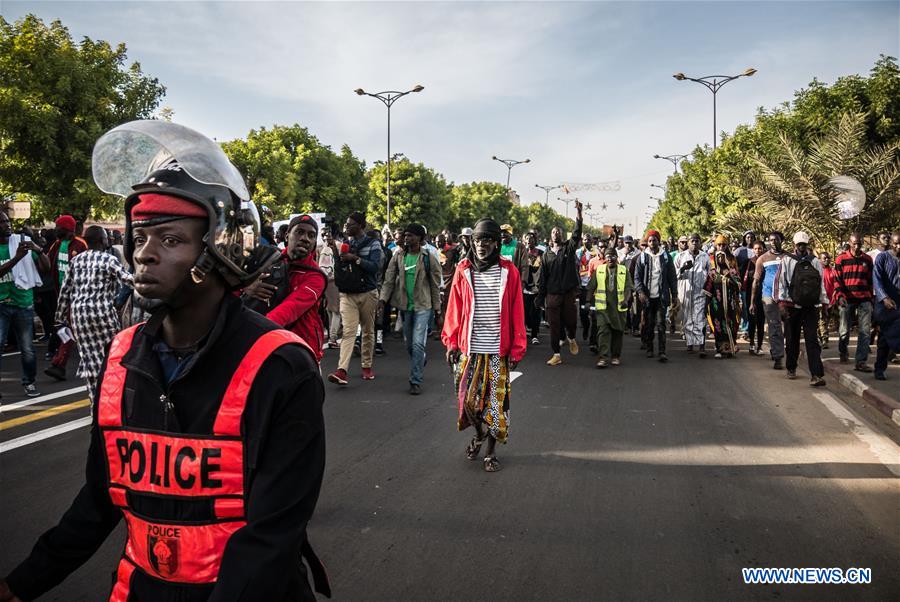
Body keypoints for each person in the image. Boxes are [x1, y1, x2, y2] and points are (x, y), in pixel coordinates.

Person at [1, 120, 329, 602]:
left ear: (220, 250)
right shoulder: (122, 356)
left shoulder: (282, 367)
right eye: (140, 239)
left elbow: (271, 540)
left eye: (170, 240)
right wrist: (21, 583)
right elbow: (98, 500)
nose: (144, 256)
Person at [442, 218, 526, 473]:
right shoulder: (463, 269)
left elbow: (517, 312)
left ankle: (490, 452)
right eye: (477, 240)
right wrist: (451, 341)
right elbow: (454, 309)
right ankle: (478, 434)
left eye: (487, 240)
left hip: (498, 351)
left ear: (496, 244)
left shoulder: (509, 272)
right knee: (468, 403)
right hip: (469, 349)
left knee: (495, 405)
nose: (481, 245)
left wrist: (517, 348)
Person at [52, 225, 133, 397]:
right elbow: (128, 280)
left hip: (79, 317)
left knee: (90, 362)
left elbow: (64, 293)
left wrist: (59, 319)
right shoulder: (108, 259)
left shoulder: (75, 261)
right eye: (106, 237)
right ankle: (111, 401)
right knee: (111, 358)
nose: (108, 240)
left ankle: (94, 407)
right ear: (100, 240)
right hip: (102, 315)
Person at [244, 214, 328, 362]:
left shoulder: (316, 277)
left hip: (300, 351)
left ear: (315, 242)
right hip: (264, 346)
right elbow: (231, 288)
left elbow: (289, 309)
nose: (305, 238)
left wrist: (252, 334)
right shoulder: (268, 260)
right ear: (287, 235)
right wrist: (247, 287)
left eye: (311, 235)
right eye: (299, 232)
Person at [379, 223, 442, 395]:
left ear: (420, 238)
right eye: (405, 235)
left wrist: (438, 311)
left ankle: (415, 380)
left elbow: (435, 286)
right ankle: (420, 360)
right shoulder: (398, 255)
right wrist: (382, 300)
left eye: (411, 235)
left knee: (417, 343)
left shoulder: (428, 256)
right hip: (405, 306)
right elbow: (389, 280)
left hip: (423, 306)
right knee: (409, 345)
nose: (407, 238)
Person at [327, 211, 383, 385]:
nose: (346, 227)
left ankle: (367, 365)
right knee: (349, 331)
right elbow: (342, 267)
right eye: (346, 224)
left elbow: (376, 267)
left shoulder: (373, 244)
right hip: (348, 294)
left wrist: (356, 259)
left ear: (360, 226)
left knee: (367, 331)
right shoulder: (345, 243)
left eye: (350, 224)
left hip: (368, 293)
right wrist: (336, 253)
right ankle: (342, 370)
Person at [0, 211, 49, 398]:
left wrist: (38, 250)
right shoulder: (17, 251)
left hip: (23, 303)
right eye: (2, 222)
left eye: (7, 221)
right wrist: (17, 258)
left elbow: (45, 269)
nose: (8, 225)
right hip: (1, 304)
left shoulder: (21, 242)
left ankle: (29, 383)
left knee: (28, 349)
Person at [774, 231, 827, 386]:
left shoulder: (815, 261)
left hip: (810, 305)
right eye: (799, 245)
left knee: (812, 340)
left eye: (804, 244)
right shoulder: (787, 260)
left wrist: (824, 303)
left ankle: (816, 374)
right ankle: (791, 367)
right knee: (792, 339)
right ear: (794, 245)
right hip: (791, 305)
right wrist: (781, 303)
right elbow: (780, 282)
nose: (802, 247)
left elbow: (821, 283)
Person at [537, 200, 583, 366]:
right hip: (552, 295)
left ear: (562, 235)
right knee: (554, 325)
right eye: (553, 231)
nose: (556, 233)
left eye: (558, 231)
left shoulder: (568, 249)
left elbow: (577, 234)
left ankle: (571, 337)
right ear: (550, 236)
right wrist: (540, 297)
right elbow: (543, 277)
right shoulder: (546, 255)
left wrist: (579, 214)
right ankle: (556, 354)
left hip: (568, 293)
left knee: (571, 321)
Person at [44, 214, 88, 379]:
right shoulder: (57, 244)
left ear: (67, 229)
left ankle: (59, 364)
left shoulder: (80, 245)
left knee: (69, 329)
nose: (55, 229)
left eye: (58, 227)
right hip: (62, 296)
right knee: (69, 329)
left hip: (77, 296)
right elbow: (48, 263)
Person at [633, 229, 678, 362]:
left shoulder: (666, 257)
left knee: (661, 324)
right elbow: (637, 277)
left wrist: (674, 294)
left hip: (661, 297)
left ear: (659, 241)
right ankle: (649, 349)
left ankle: (662, 351)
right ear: (647, 242)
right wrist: (640, 291)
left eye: (655, 240)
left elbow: (672, 277)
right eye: (650, 240)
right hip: (647, 297)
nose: (652, 243)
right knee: (649, 323)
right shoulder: (642, 257)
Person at [833, 232, 875, 372]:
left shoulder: (867, 259)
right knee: (844, 329)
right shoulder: (841, 259)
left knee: (865, 330)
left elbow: (870, 281)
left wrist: (871, 298)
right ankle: (843, 351)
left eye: (859, 243)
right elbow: (837, 280)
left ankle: (861, 361)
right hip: (847, 298)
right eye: (854, 243)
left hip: (864, 298)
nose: (857, 246)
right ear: (849, 243)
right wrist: (840, 296)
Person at [588, 247, 632, 368]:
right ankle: (603, 358)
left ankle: (615, 356)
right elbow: (591, 286)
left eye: (612, 256)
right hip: (603, 308)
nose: (610, 258)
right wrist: (587, 301)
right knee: (603, 332)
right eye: (608, 256)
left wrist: (625, 300)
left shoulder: (624, 270)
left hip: (618, 308)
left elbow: (628, 287)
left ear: (616, 258)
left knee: (617, 332)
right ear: (605, 258)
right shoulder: (599, 270)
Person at [751, 231, 787, 370]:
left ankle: (780, 349)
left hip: (786, 297)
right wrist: (752, 301)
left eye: (776, 239)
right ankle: (778, 357)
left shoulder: (788, 257)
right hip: (768, 296)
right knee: (774, 325)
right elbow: (756, 281)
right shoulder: (763, 259)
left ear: (781, 240)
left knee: (788, 326)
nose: (773, 242)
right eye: (771, 240)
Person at [704, 237, 742, 358]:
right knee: (717, 323)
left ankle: (731, 347)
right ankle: (720, 349)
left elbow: (738, 282)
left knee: (731, 323)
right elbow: (708, 282)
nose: (721, 247)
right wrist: (707, 301)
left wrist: (729, 275)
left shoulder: (732, 260)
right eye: (719, 245)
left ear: (727, 246)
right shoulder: (710, 260)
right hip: (716, 299)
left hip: (730, 300)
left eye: (723, 245)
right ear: (715, 246)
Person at [675, 234, 711, 357]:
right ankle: (690, 344)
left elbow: (710, 274)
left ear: (700, 243)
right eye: (692, 241)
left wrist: (708, 292)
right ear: (688, 243)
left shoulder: (705, 257)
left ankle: (702, 346)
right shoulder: (681, 256)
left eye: (697, 240)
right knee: (688, 319)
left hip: (700, 292)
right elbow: (674, 275)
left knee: (700, 319)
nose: (694, 243)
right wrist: (683, 268)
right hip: (686, 292)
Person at [872, 233, 900, 380]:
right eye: (896, 243)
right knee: (885, 337)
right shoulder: (882, 258)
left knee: (890, 336)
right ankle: (879, 368)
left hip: (899, 304)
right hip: (886, 305)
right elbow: (876, 279)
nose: (899, 246)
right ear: (892, 244)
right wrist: (884, 297)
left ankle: (882, 365)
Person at [317, 229, 342, 348]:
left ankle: (331, 336)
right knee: (335, 310)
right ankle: (333, 338)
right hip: (334, 281)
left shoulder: (321, 248)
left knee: (330, 309)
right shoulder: (339, 246)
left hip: (324, 281)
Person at [743, 240, 767, 355]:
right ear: (753, 250)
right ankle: (751, 344)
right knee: (752, 320)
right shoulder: (749, 262)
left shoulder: (766, 262)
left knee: (761, 321)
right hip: (750, 296)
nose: (758, 251)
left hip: (764, 295)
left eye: (760, 248)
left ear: (763, 249)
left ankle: (760, 346)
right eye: (756, 248)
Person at [522, 230, 543, 345]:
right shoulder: (522, 253)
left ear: (535, 241)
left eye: (531, 239)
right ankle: (526, 331)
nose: (529, 241)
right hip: (524, 287)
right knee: (525, 312)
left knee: (535, 312)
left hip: (536, 288)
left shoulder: (541, 254)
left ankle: (535, 335)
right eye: (527, 239)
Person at [817, 251, 839, 349]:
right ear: (819, 260)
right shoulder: (817, 271)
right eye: (824, 258)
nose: (826, 260)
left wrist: (834, 298)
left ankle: (821, 337)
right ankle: (824, 339)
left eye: (828, 258)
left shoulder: (833, 271)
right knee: (822, 320)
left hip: (831, 300)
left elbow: (836, 285)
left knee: (826, 319)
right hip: (821, 300)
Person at [576, 233, 596, 341]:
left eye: (588, 239)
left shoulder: (596, 252)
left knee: (593, 312)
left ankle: (593, 338)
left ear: (592, 241)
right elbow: (575, 267)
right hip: (582, 286)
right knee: (583, 312)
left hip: (592, 286)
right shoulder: (578, 252)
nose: (586, 241)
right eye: (584, 239)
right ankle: (586, 327)